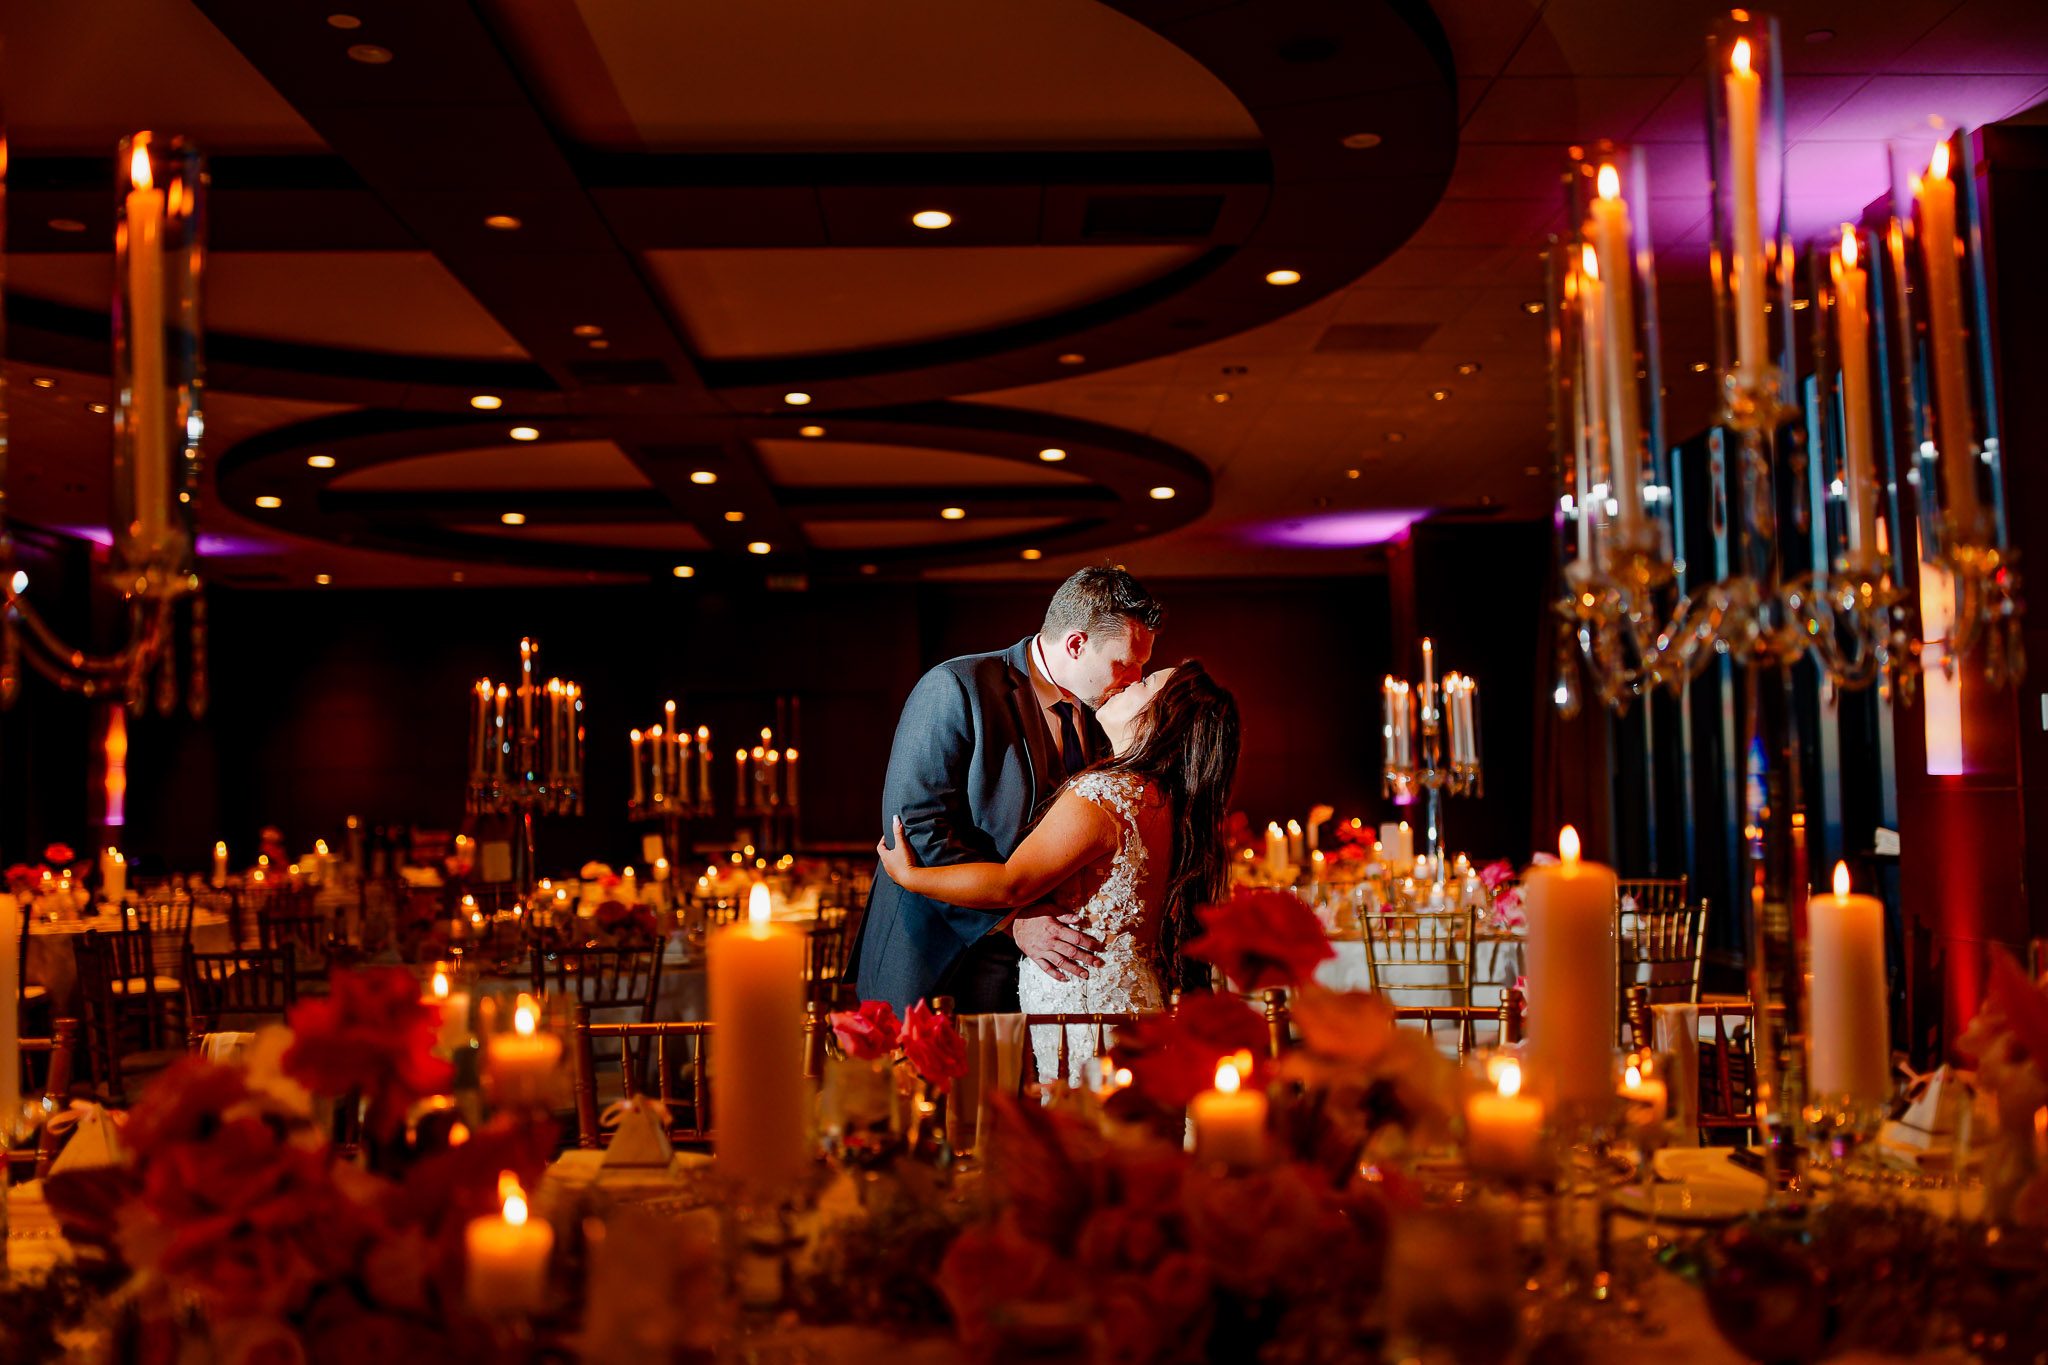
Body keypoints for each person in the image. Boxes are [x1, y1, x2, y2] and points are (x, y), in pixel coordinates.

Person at [877, 660, 1240, 1084]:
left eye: (1145, 683)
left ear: (1161, 719)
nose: (1126, 684)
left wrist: (910, 877)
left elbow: (1013, 882)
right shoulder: (1160, 800)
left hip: (1085, 1007)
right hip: (1127, 1000)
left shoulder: (1102, 795)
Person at [846, 567, 1164, 1015]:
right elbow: (915, 831)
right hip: (936, 955)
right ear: (1076, 644)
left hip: (1039, 967)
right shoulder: (957, 686)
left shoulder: (1101, 714)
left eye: (1142, 667)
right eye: (1125, 663)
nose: (1134, 678)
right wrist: (1011, 923)